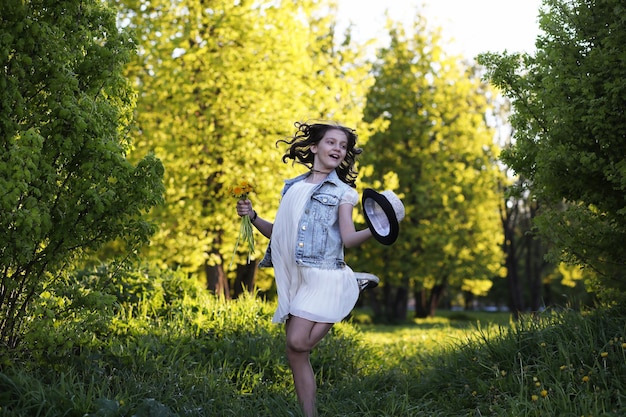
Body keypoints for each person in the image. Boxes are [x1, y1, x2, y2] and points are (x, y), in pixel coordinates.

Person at [235, 121, 377, 417]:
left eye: (343, 146)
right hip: (298, 277)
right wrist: (253, 216)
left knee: (296, 340)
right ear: (314, 147)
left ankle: (352, 287)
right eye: (332, 142)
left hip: (325, 275)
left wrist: (377, 230)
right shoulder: (293, 188)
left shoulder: (343, 193)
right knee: (296, 353)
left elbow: (349, 238)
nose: (338, 148)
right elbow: (281, 233)